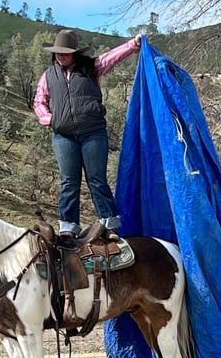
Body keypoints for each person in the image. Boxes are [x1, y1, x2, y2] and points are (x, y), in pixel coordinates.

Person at [34, 29, 142, 240]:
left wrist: (132, 45)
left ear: (75, 53)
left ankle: (109, 225)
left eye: (65, 52)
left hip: (93, 133)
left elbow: (110, 58)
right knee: (69, 181)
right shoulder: (48, 76)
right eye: (58, 52)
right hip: (63, 136)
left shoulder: (90, 68)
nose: (61, 56)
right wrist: (50, 119)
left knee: (97, 179)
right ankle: (68, 227)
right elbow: (39, 102)